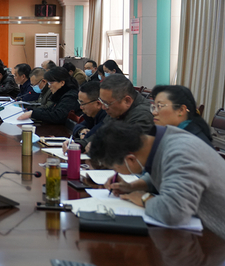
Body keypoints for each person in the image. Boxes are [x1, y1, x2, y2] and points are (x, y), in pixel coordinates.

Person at [89, 120, 225, 239]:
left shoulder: (180, 153)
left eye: (114, 168)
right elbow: (168, 174)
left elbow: (174, 212)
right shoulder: (162, 142)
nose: (115, 172)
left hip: (218, 240)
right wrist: (133, 186)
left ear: (130, 159)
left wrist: (144, 199)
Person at [62, 81, 107, 153]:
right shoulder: (91, 115)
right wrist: (81, 130)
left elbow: (89, 137)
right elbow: (78, 126)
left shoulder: (107, 118)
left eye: (82, 103)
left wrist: (78, 144)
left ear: (98, 104)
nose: (81, 107)